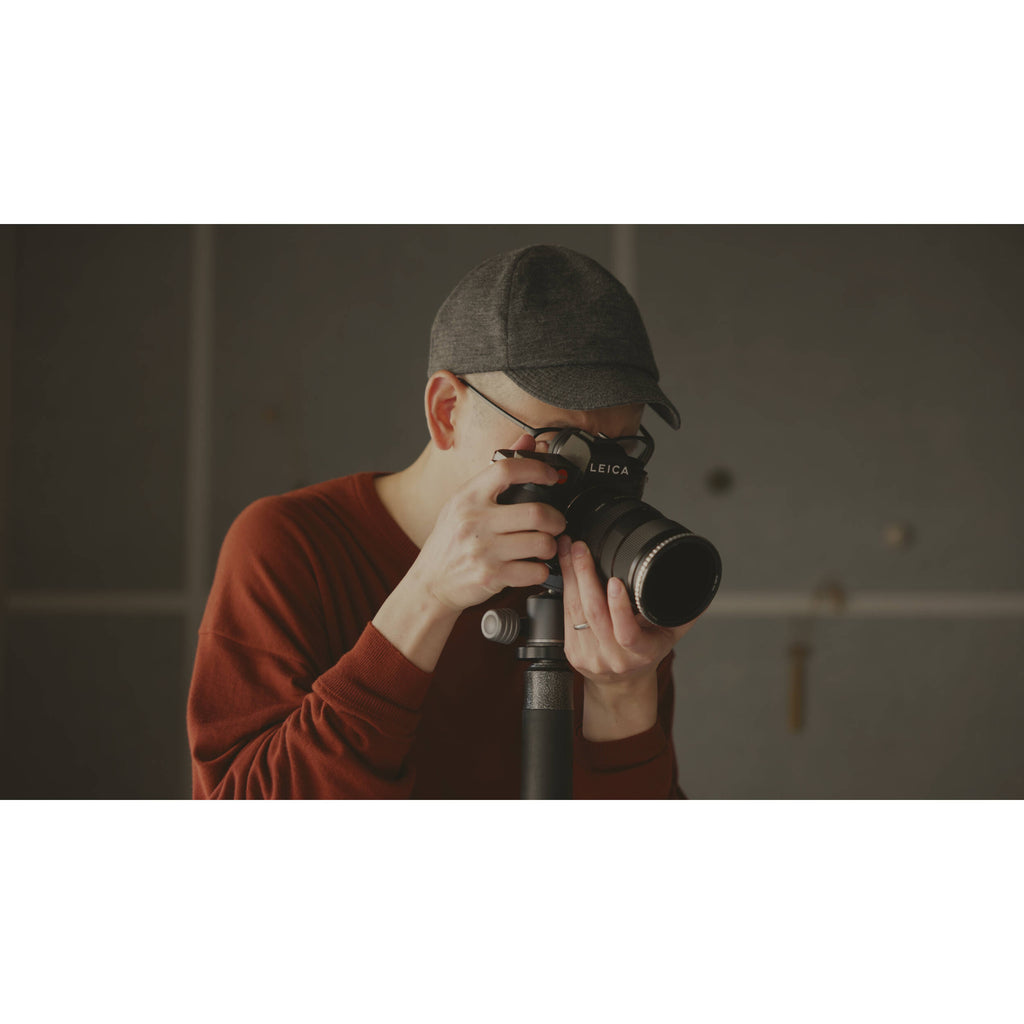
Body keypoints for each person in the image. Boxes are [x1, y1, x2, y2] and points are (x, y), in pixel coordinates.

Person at [187, 243, 700, 798]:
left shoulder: (610, 573)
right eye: (563, 445)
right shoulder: (292, 546)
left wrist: (623, 697)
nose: (594, 479)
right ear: (447, 412)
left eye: (621, 447)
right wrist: (427, 597)